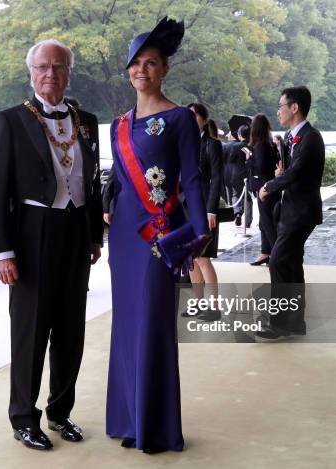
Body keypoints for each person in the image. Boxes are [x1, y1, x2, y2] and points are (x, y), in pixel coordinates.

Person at [0, 38, 103, 451]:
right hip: (32, 231)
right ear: (31, 72)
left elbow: (93, 181)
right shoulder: (11, 120)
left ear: (69, 72)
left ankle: (60, 412)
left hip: (75, 230)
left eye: (59, 66)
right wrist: (3, 251)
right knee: (31, 330)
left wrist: (93, 234)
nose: (50, 74)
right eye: (43, 67)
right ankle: (23, 418)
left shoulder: (85, 120)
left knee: (71, 330)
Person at [105, 17, 209, 453]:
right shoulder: (117, 126)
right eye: (135, 64)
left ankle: (157, 426)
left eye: (151, 63)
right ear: (128, 70)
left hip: (158, 236)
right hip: (125, 237)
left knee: (155, 324)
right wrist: (103, 218)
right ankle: (130, 420)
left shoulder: (181, 118)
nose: (142, 71)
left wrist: (199, 230)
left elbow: (193, 176)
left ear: (164, 69)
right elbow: (116, 182)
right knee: (127, 327)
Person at [257, 86, 325, 340]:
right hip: (290, 210)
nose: (278, 110)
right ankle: (295, 322)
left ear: (294, 108)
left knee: (278, 261)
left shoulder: (311, 137)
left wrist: (268, 186)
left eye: (281, 105)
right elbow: (291, 171)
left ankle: (279, 323)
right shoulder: (291, 136)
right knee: (292, 264)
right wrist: (279, 175)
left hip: (302, 212)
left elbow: (296, 173)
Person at [183, 102, 221, 320]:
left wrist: (211, 210)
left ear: (204, 120)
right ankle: (197, 304)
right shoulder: (183, 144)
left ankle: (213, 307)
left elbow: (217, 178)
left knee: (203, 258)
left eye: (193, 116)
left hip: (204, 207)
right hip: (185, 207)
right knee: (190, 258)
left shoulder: (211, 145)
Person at [246, 114, 280, 266]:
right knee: (265, 221)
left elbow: (260, 167)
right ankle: (266, 252)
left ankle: (276, 254)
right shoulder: (270, 144)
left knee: (267, 222)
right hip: (272, 186)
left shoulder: (260, 146)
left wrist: (249, 160)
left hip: (264, 188)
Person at [228, 124, 252, 227]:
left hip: (236, 174)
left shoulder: (235, 146)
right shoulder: (252, 146)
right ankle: (247, 222)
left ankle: (237, 212)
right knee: (248, 198)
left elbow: (230, 160)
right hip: (248, 174)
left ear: (239, 134)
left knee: (235, 195)